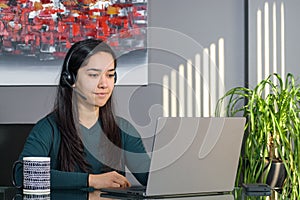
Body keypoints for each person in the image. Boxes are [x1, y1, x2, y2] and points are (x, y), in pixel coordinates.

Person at [13, 39, 150, 190]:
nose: (104, 84)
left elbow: (152, 178)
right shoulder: (49, 128)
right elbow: (24, 175)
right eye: (93, 75)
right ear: (71, 79)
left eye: (110, 75)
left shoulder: (122, 129)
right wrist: (91, 180)